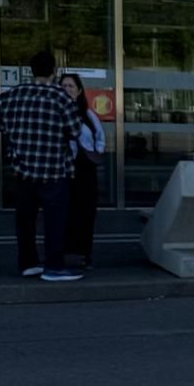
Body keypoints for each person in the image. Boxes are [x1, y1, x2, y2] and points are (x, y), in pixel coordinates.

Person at [0, 51, 82, 282]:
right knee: (54, 221)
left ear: (31, 70)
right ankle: (54, 266)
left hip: (23, 168)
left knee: (25, 220)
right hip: (54, 168)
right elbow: (75, 130)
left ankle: (28, 263)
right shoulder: (60, 97)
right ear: (53, 71)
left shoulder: (15, 94)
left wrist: (7, 130)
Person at [60, 72, 105, 269]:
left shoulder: (87, 114)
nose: (67, 89)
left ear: (79, 91)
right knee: (64, 212)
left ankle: (84, 254)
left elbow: (100, 137)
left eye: (70, 86)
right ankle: (62, 253)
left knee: (85, 213)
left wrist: (95, 152)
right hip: (62, 168)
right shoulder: (56, 112)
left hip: (85, 169)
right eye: (63, 86)